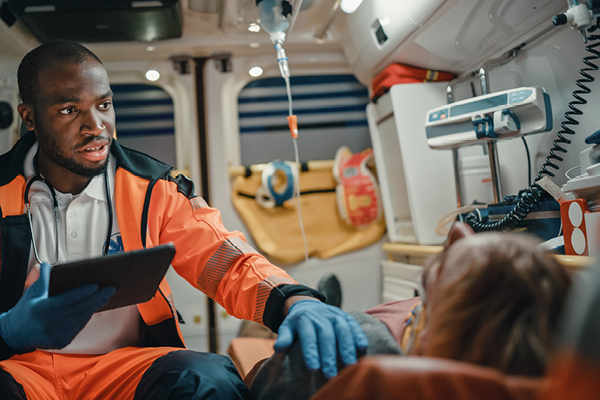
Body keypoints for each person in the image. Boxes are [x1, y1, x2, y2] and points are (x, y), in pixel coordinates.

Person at [0, 41, 367, 400]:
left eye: (104, 105)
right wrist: (7, 330)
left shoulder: (154, 187)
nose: (95, 126)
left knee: (209, 379)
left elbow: (225, 261)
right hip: (21, 366)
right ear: (29, 117)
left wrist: (296, 301)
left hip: (124, 364)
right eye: (68, 110)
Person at [249, 223, 572, 399]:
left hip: (359, 337)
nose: (456, 235)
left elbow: (263, 385)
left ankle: (323, 308)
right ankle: (326, 304)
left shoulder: (370, 359)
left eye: (427, 303)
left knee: (339, 331)